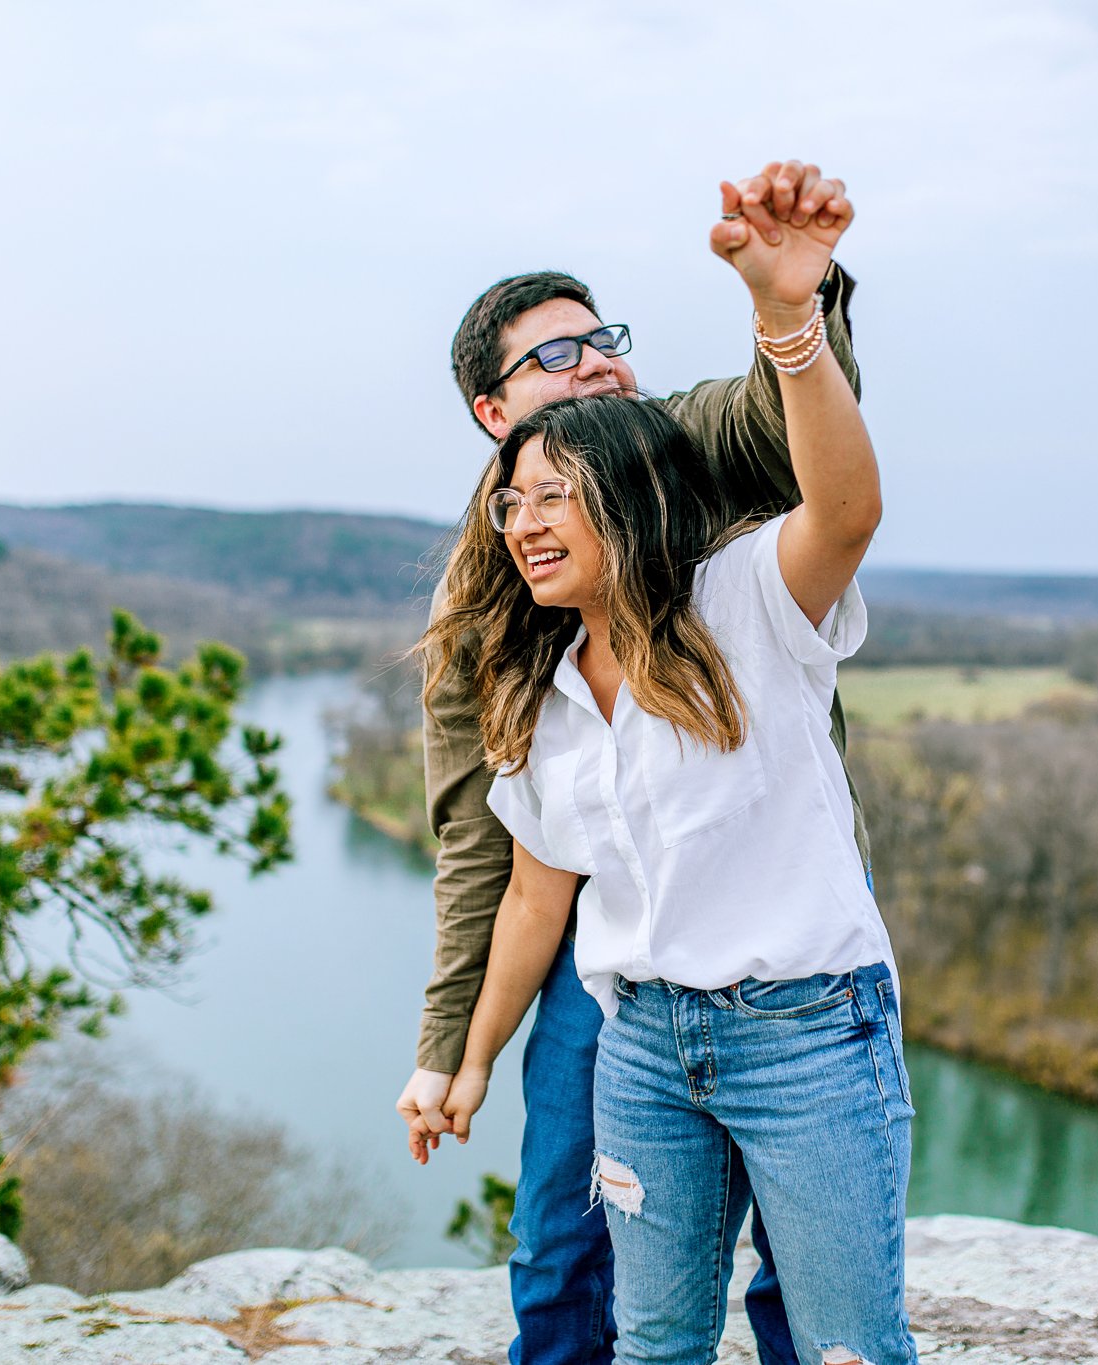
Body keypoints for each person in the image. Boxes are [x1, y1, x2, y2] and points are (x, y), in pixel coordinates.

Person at [418, 183, 912, 1365]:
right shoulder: (515, 650)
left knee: (828, 1322)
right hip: (628, 1010)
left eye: (604, 342)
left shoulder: (735, 573)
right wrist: (456, 1051)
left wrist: (789, 315)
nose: (594, 366)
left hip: (793, 1005)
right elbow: (507, 866)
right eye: (555, 356)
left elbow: (825, 486)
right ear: (492, 415)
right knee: (599, 1289)